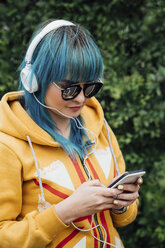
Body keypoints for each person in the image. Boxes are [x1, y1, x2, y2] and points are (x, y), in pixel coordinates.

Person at [0, 19, 143, 248]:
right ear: (34, 80)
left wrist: (122, 204)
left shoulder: (100, 127)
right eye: (69, 88)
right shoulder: (6, 146)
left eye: (91, 87)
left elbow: (124, 218)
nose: (81, 98)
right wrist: (65, 212)